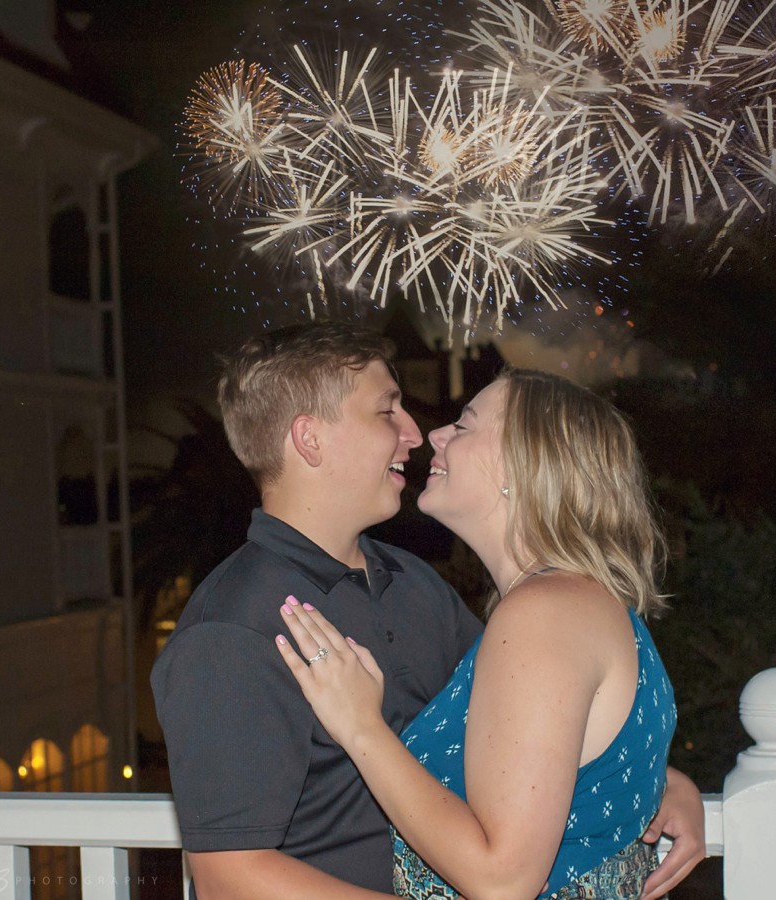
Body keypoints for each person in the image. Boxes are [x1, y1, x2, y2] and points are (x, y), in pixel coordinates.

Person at [151, 324, 704, 900]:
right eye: (386, 410)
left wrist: (657, 780)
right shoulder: (234, 628)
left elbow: (537, 729)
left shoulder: (413, 584)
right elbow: (227, 878)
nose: (417, 432)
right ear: (310, 440)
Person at [277, 368, 679, 899]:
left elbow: (503, 879)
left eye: (463, 427)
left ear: (524, 464)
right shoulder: (583, 605)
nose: (434, 436)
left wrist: (360, 727)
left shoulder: (544, 614)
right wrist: (676, 785)